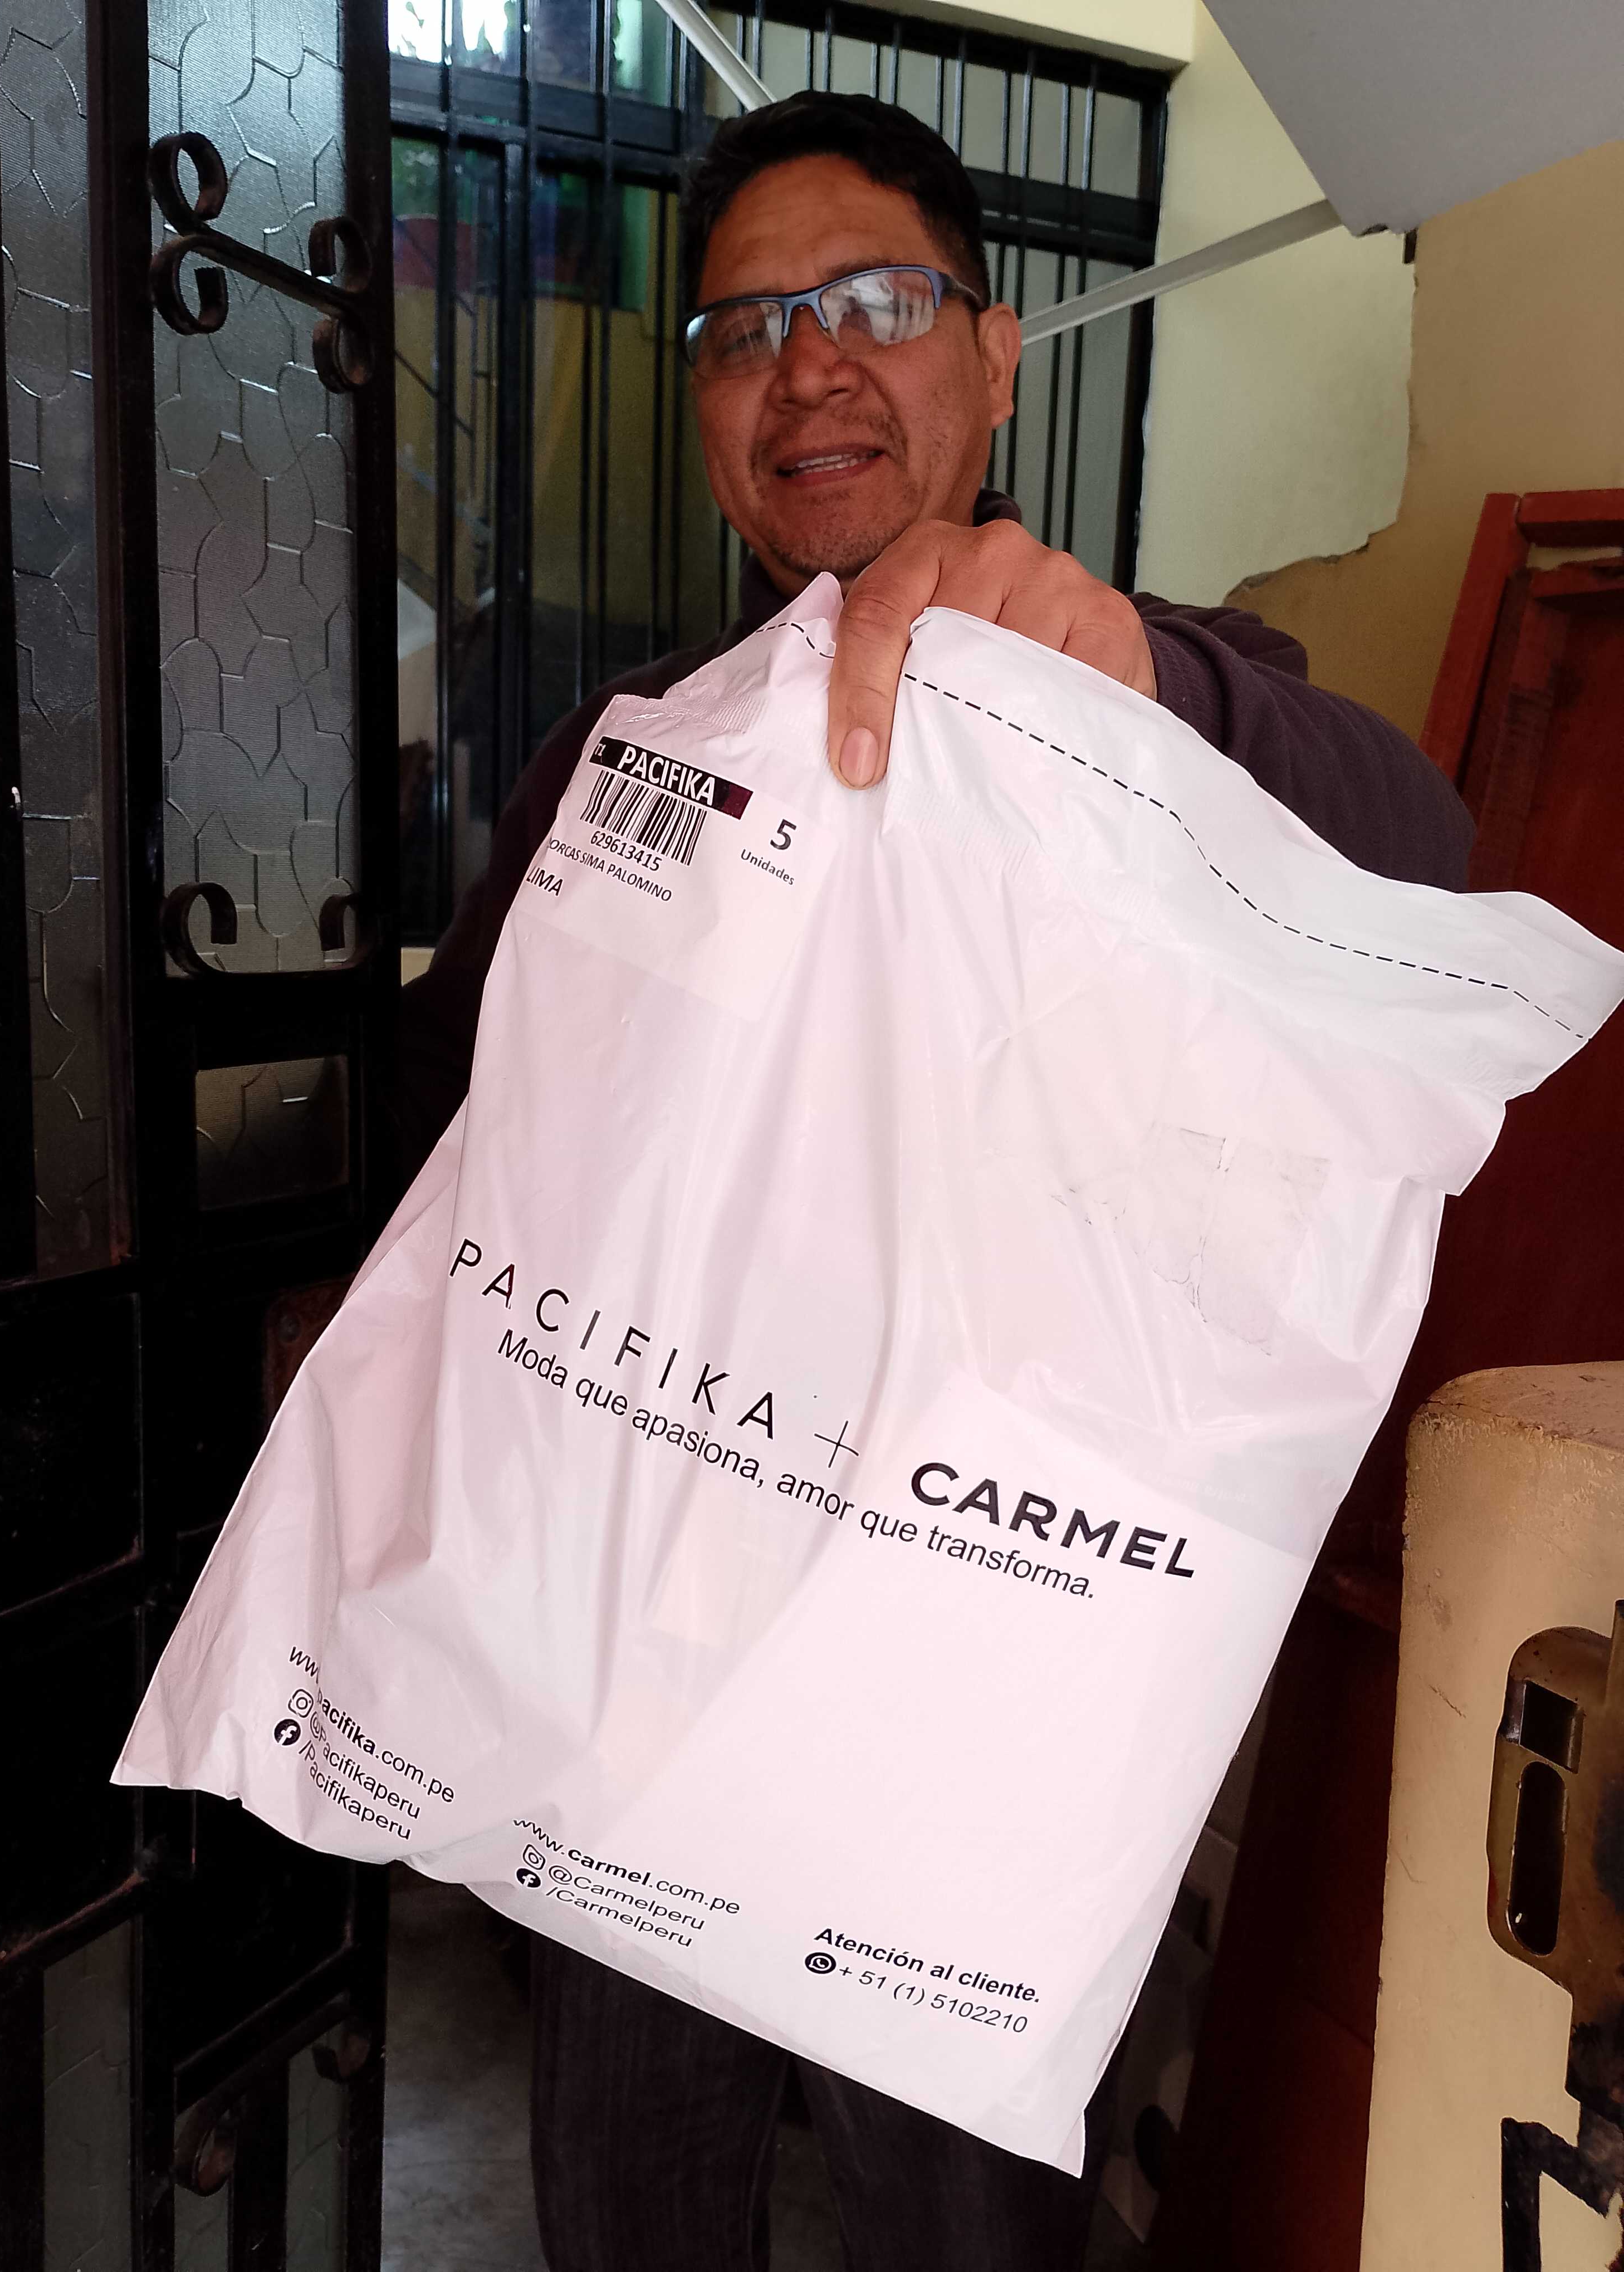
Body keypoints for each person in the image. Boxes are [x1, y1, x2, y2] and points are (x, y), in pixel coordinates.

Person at [397, 89, 1473, 2272]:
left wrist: (1150, 684)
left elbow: (1422, 860)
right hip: (636, 1673)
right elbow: (459, 1158)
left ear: (995, 357)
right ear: (708, 412)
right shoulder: (619, 771)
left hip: (979, 1680)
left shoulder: (1176, 701)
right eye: (744, 330)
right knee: (633, 2197)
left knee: (960, 2221)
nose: (809, 367)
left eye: (878, 304)